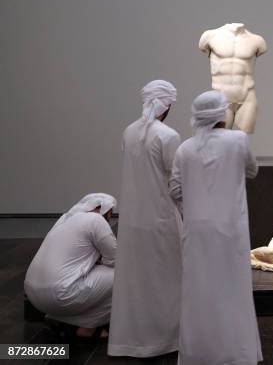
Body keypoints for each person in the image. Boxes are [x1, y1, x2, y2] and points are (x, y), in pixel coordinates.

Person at [169, 90, 260, 365]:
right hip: (231, 229)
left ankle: (199, 353)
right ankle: (237, 352)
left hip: (196, 231)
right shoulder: (238, 140)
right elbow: (252, 170)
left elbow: (174, 189)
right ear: (223, 114)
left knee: (199, 290)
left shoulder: (185, 148)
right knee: (233, 288)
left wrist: (193, 208)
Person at [108, 80, 182, 357]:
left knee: (136, 281)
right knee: (166, 279)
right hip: (161, 218)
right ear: (168, 104)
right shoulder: (168, 135)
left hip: (132, 220)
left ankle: (131, 341)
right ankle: (164, 340)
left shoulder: (128, 131)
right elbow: (177, 182)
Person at [24, 193, 117, 338]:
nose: (110, 219)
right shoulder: (96, 219)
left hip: (32, 294)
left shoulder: (65, 219)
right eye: (111, 213)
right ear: (102, 208)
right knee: (125, 277)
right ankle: (88, 327)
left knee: (95, 274)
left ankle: (58, 318)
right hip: (60, 295)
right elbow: (114, 260)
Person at [199, 23, 267, 133]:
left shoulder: (257, 40)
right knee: (219, 139)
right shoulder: (210, 36)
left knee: (243, 140)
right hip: (221, 96)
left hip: (247, 96)